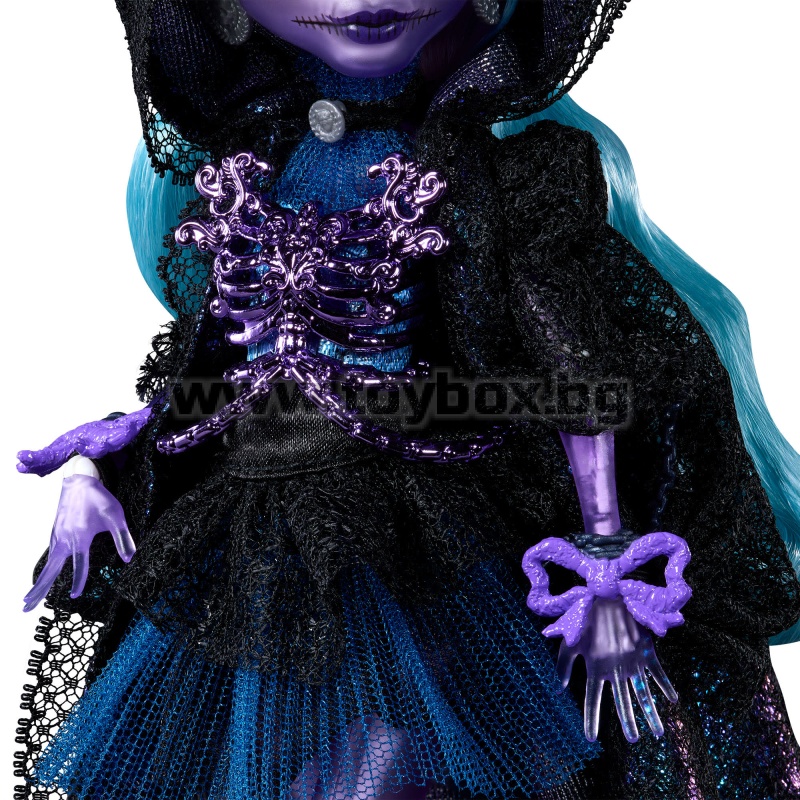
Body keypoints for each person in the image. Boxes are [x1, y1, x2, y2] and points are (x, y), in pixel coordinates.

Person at [11, 1, 800, 798]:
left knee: (397, 765)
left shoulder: (494, 182)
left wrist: (604, 563)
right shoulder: (253, 164)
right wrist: (88, 468)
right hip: (248, 540)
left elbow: (573, 374)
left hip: (414, 532)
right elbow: (220, 373)